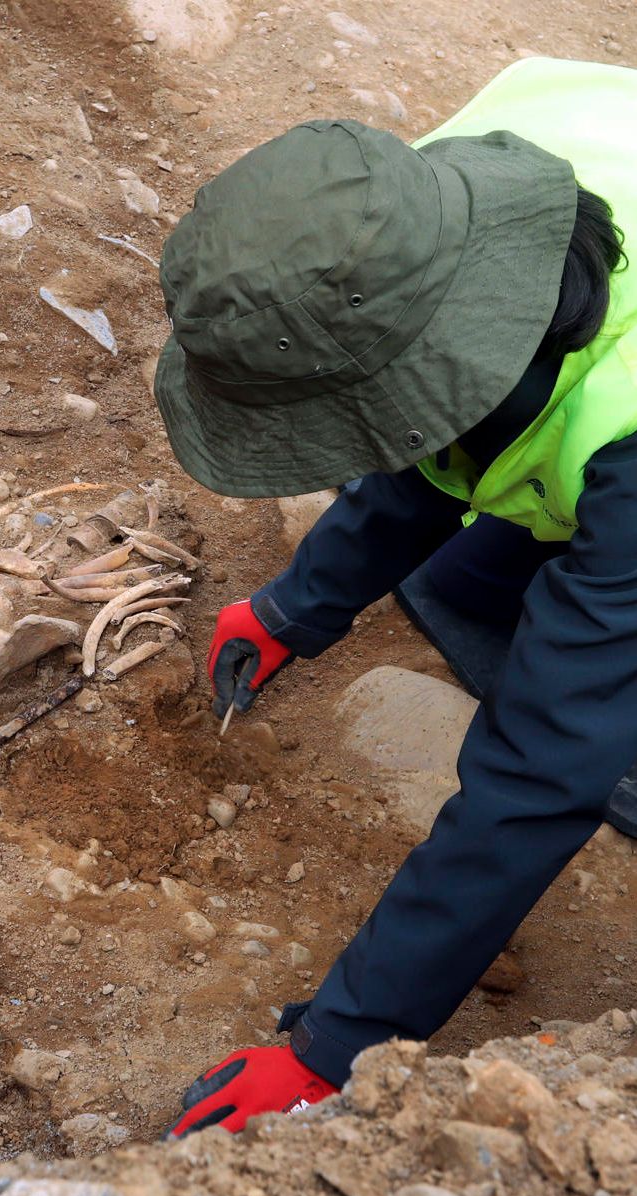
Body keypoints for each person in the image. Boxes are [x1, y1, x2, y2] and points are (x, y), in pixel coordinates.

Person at [153, 57, 637, 1137]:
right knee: (469, 586)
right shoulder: (405, 216)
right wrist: (296, 606)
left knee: (591, 719)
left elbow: (539, 771)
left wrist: (339, 1045)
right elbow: (415, 410)